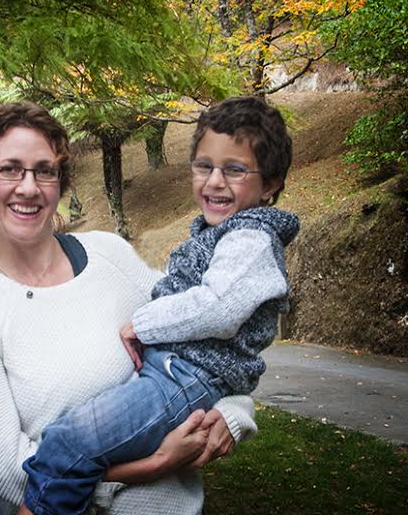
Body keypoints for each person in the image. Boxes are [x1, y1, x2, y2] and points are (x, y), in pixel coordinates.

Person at [0, 101, 259, 515]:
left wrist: (232, 415)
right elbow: (13, 476)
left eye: (44, 170)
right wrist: (155, 464)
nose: (29, 187)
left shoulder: (110, 255)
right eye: (9, 169)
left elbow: (211, 334)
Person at [19, 96, 300, 515]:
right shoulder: (222, 234)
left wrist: (141, 324)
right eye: (204, 166)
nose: (214, 181)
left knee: (69, 441)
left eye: (235, 169)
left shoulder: (251, 239)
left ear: (271, 183)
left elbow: (217, 310)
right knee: (69, 441)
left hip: (184, 379)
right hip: (174, 374)